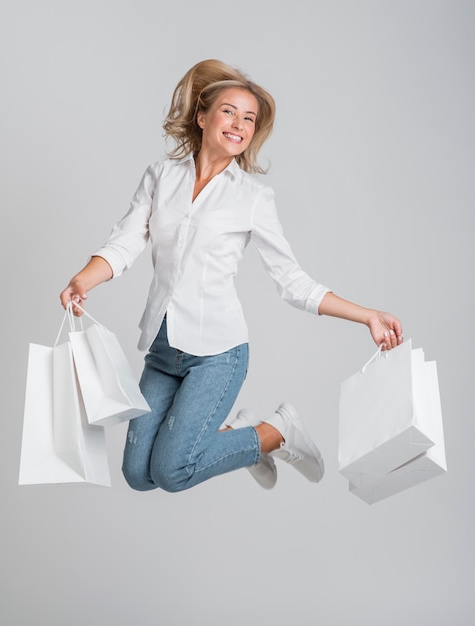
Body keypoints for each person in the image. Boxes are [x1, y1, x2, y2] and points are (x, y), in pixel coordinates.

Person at [60, 59, 403, 493]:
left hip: (217, 354)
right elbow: (125, 242)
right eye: (229, 111)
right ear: (202, 117)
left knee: (170, 471)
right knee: (137, 474)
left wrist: (367, 315)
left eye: (249, 118)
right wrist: (83, 280)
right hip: (164, 350)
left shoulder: (253, 198)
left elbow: (292, 282)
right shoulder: (161, 176)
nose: (240, 124)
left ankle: (272, 433)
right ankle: (245, 433)